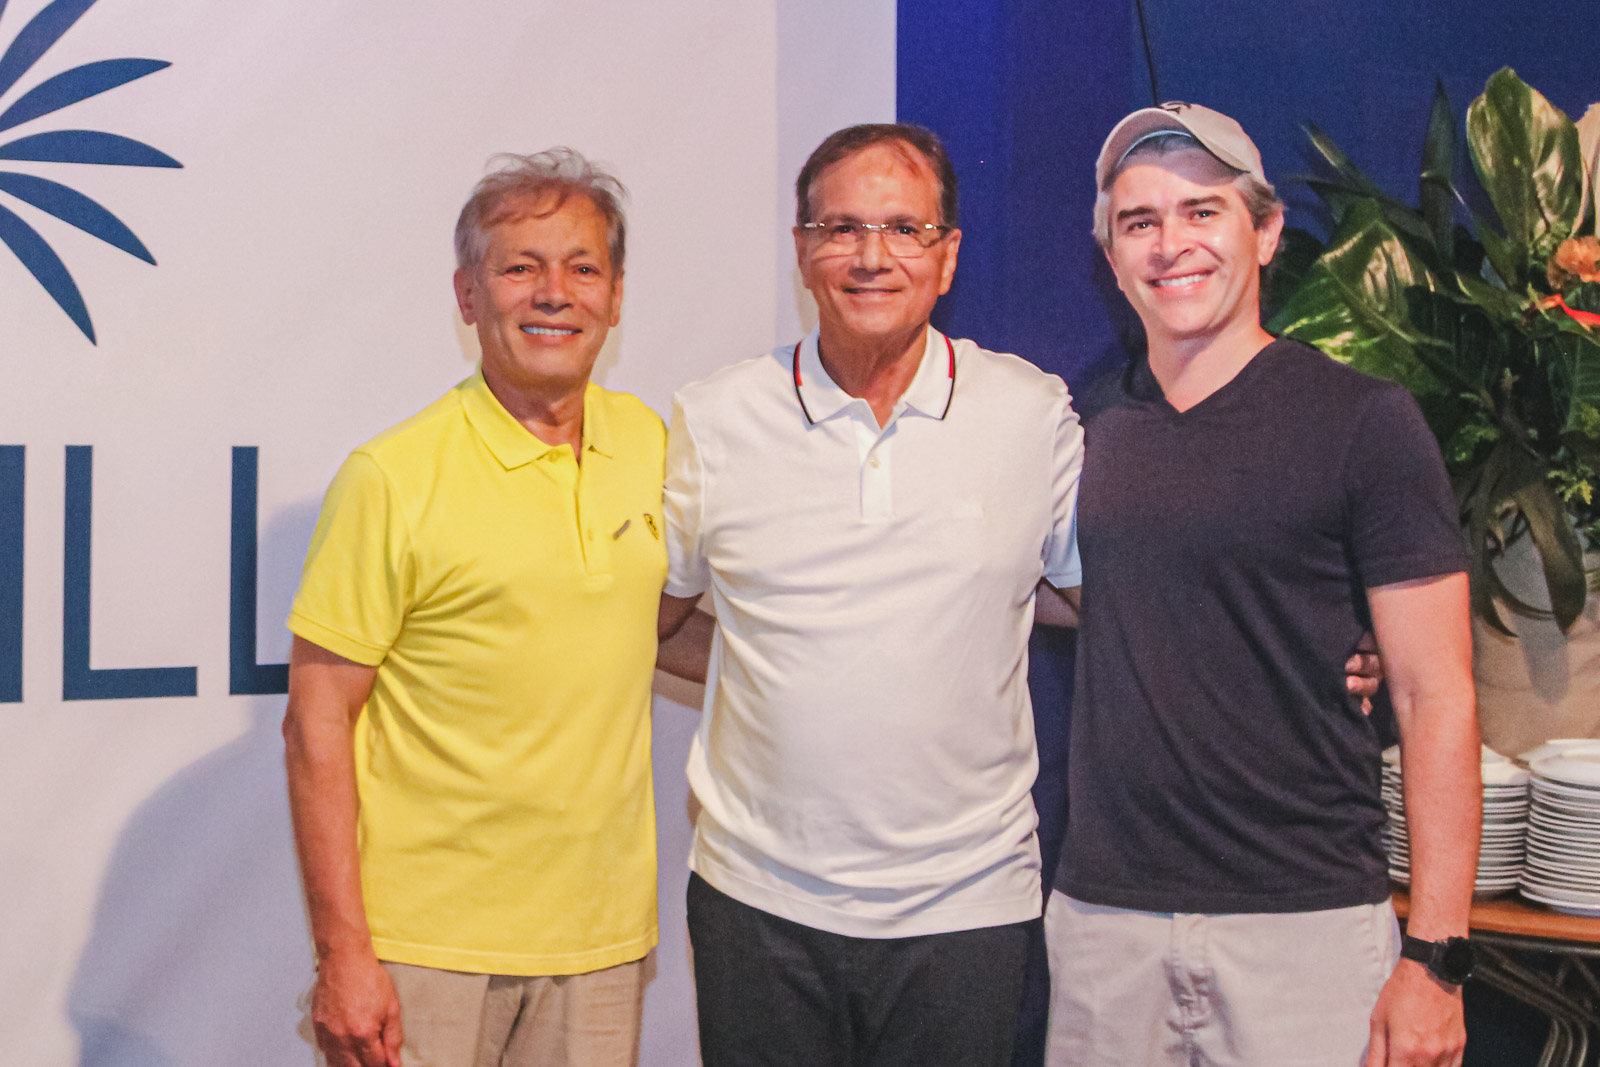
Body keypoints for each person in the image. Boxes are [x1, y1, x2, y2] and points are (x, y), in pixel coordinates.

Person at [1046, 103, 1481, 1067]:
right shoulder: (1080, 427)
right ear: (1110, 256)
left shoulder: (1365, 422)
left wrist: (1436, 959)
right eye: (1140, 221)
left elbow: (1437, 693)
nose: (1171, 244)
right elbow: (1053, 591)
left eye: (1203, 211)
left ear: (1268, 231)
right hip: (1106, 927)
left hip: (1307, 930)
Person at [655, 123, 1086, 1066]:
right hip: (758, 902)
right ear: (803, 249)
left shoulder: (1031, 414)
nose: (872, 256)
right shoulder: (718, 416)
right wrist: (778, 667)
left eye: (904, 229)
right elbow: (652, 620)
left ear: (948, 254)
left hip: (969, 904)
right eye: (841, 227)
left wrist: (1322, 642)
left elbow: (1114, 602)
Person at [282, 148, 667, 1067]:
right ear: (467, 294)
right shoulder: (392, 476)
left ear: (616, 296)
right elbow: (316, 721)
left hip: (602, 944)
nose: (554, 293)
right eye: (520, 267)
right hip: (424, 950)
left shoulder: (653, 443)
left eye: (582, 268)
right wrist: (344, 956)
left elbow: (651, 629)